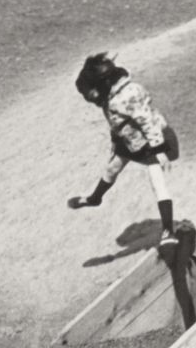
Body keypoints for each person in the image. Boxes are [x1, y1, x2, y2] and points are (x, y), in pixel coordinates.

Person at [67, 52, 180, 249]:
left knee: (157, 182)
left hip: (152, 142)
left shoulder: (128, 95)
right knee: (112, 169)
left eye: (92, 93)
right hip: (129, 141)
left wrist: (159, 150)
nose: (92, 98)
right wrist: (115, 141)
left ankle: (168, 231)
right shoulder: (111, 94)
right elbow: (116, 122)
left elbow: (147, 122)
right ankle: (95, 198)